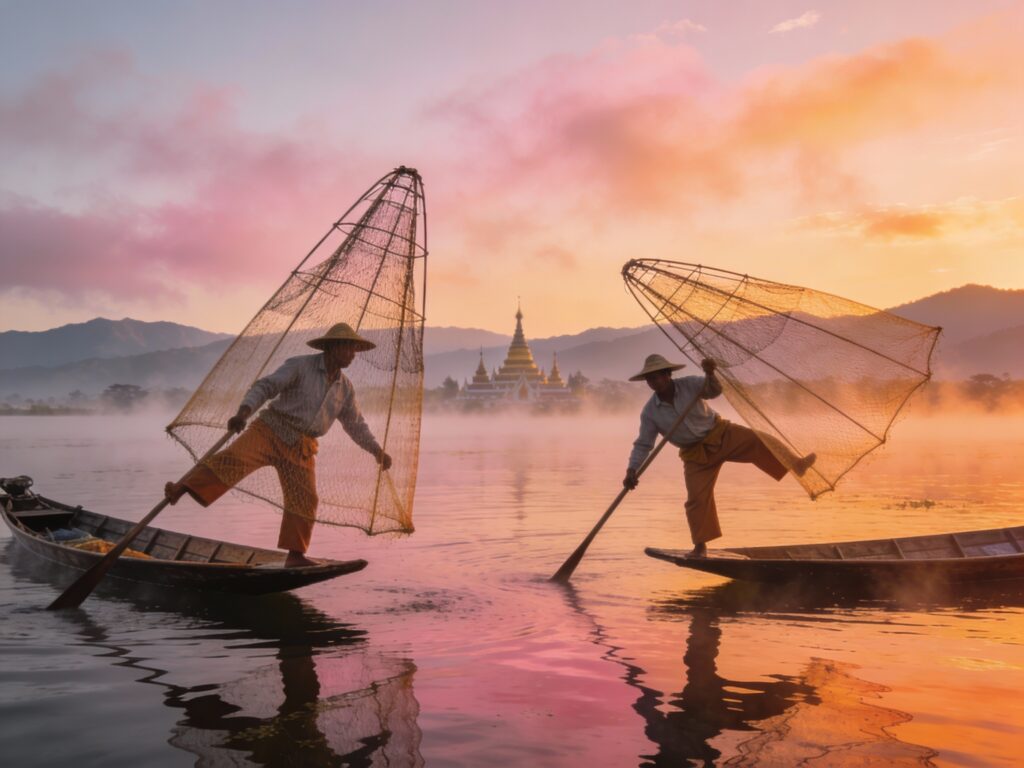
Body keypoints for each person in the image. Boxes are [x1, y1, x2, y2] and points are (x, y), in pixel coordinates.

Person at [165, 322, 392, 567]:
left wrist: (376, 450)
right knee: (234, 459)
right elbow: (266, 386)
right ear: (331, 347)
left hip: (302, 446)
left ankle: (295, 556)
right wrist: (244, 412)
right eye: (348, 348)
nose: (352, 355)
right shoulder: (300, 365)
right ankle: (182, 487)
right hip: (271, 430)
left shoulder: (345, 388)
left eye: (355, 350)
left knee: (306, 499)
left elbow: (355, 424)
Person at [622, 354, 815, 558]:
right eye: (650, 379)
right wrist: (632, 470)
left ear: (668, 375)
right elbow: (644, 444)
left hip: (721, 434)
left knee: (760, 440)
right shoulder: (650, 412)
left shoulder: (690, 385)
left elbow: (714, 391)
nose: (655, 382)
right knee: (697, 499)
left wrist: (710, 373)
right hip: (695, 454)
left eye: (658, 376)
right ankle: (700, 547)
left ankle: (796, 464)